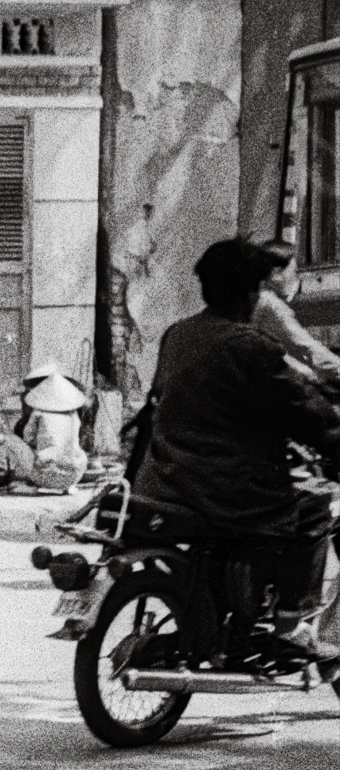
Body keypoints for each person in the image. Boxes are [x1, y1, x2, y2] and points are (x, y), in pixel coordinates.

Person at [134, 235, 340, 659]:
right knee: (316, 506)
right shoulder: (250, 346)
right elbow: (304, 414)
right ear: (252, 292)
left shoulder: (178, 334)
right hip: (228, 487)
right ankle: (291, 625)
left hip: (168, 476)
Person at [251, 240, 340, 393]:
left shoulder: (255, 297)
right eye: (294, 272)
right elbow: (306, 347)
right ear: (276, 274)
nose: (296, 279)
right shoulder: (269, 304)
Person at [16, 364, 89, 492]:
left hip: (45, 474)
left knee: (18, 445)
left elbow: (28, 439)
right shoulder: (73, 414)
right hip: (74, 474)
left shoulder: (38, 412)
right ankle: (67, 486)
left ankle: (34, 483)